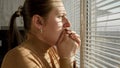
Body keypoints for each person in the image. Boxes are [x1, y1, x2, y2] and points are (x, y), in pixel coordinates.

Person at [1, 0, 81, 68]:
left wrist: (70, 56)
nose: (68, 24)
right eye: (60, 17)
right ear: (38, 22)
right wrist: (66, 58)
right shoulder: (19, 57)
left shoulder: (52, 52)